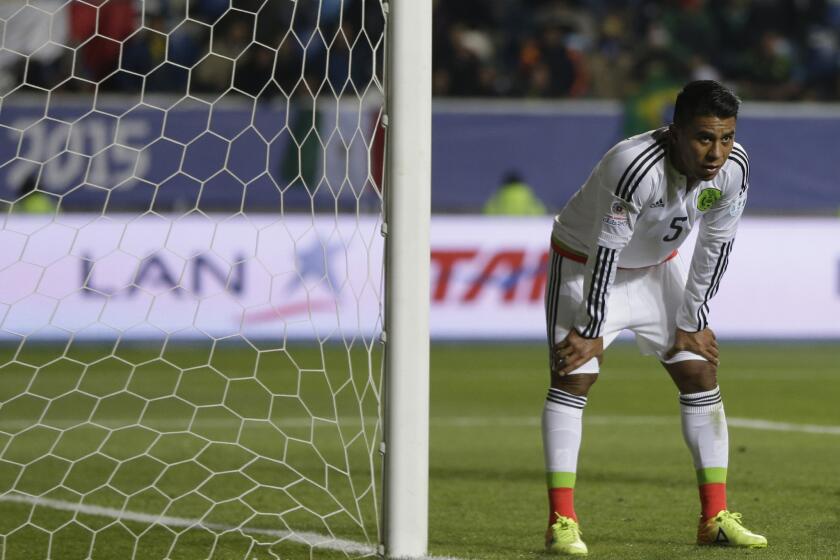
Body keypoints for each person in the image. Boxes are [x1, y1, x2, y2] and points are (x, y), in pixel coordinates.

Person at [541, 80, 766, 555]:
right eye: (705, 138)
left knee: (700, 370)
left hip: (656, 271)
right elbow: (607, 247)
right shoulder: (634, 167)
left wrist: (693, 318)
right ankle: (562, 521)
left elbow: (715, 246)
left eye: (726, 138)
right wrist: (591, 327)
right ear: (675, 132)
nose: (716, 153)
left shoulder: (734, 169)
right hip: (585, 269)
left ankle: (714, 519)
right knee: (574, 375)